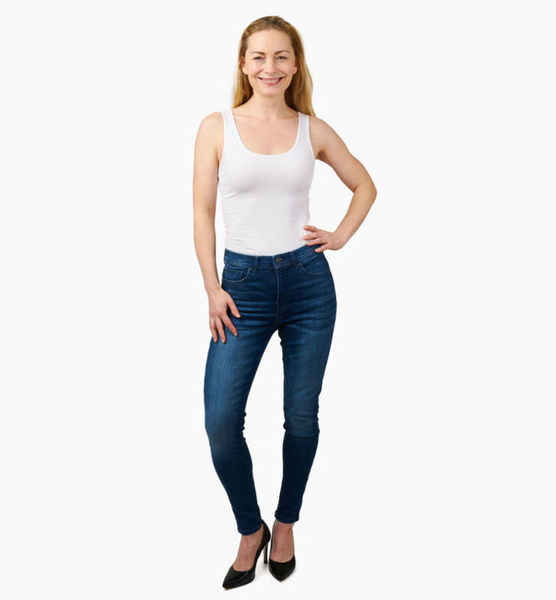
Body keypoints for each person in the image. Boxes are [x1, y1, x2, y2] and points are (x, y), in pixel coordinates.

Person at [193, 16, 377, 589]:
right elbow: (201, 212)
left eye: (280, 57)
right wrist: (212, 286)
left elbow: (365, 184)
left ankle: (286, 521)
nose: (269, 67)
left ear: (295, 65)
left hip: (307, 286)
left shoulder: (312, 129)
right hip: (240, 288)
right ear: (243, 64)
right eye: (258, 57)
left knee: (301, 414)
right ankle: (250, 529)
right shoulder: (217, 126)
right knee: (221, 421)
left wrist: (339, 236)